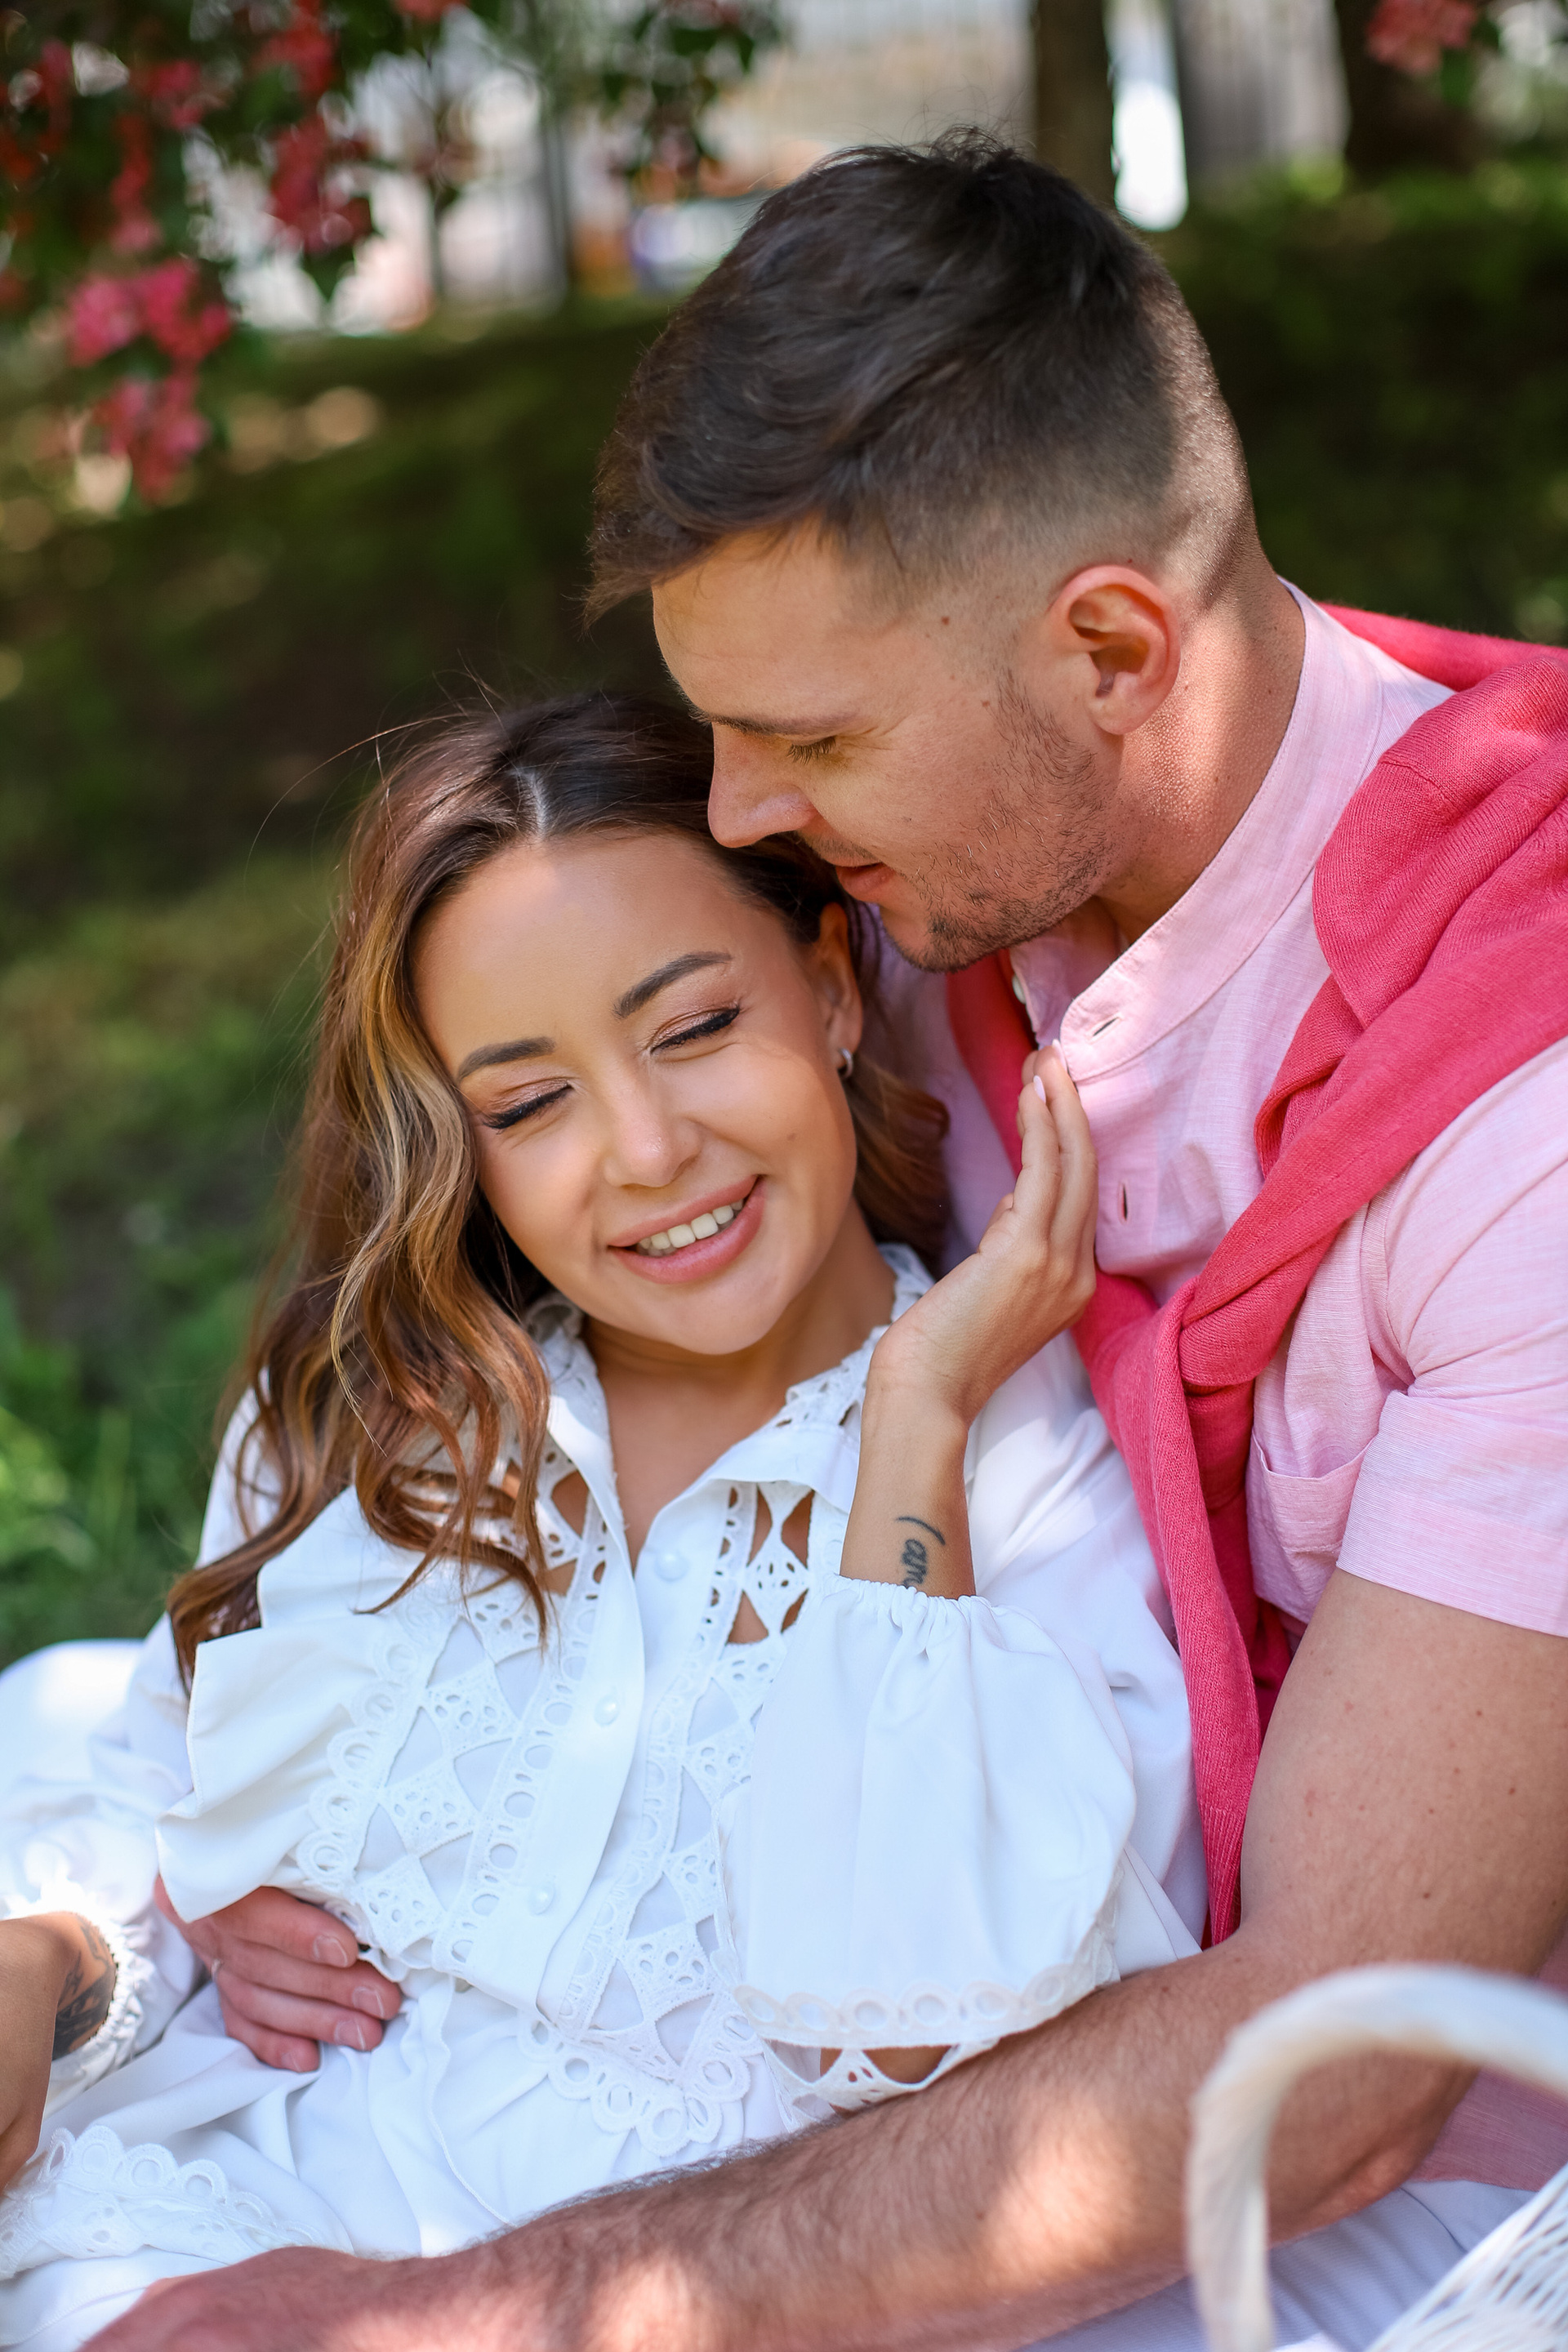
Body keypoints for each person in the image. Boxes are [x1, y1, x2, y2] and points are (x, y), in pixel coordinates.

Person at [84, 132, 1568, 2352]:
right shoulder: (904, 908)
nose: (744, 814)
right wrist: (207, 1878)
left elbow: (1341, 2078)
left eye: (808, 739)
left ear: (1111, 647)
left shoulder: (1521, 1126)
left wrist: (452, 2322)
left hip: (1368, 2201)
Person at [0, 695, 1202, 2351]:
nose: (647, 1152)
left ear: (831, 989)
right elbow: (152, 1772)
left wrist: (914, 1427)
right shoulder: (389, 1418)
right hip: (199, 2228)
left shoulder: (1023, 1476)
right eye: (529, 1104)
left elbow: (916, 2038)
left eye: (694, 1026)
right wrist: (56, 1958)